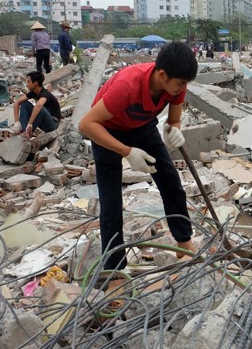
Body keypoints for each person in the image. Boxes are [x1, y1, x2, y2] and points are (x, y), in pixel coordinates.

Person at [78, 42, 198, 271]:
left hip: (142, 127)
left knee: (171, 181)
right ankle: (114, 268)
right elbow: (86, 124)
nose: (182, 89)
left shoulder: (177, 85)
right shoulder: (127, 86)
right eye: (180, 84)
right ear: (162, 75)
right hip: (106, 130)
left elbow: (173, 120)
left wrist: (175, 129)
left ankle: (184, 241)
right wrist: (127, 151)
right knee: (111, 201)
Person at [11, 71, 62, 138]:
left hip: (52, 124)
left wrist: (30, 123)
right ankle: (23, 130)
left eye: (28, 82)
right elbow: (17, 103)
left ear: (35, 83)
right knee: (24, 103)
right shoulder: (34, 92)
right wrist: (17, 121)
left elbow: (39, 106)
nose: (27, 84)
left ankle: (27, 131)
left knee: (40, 109)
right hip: (43, 123)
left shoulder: (45, 94)